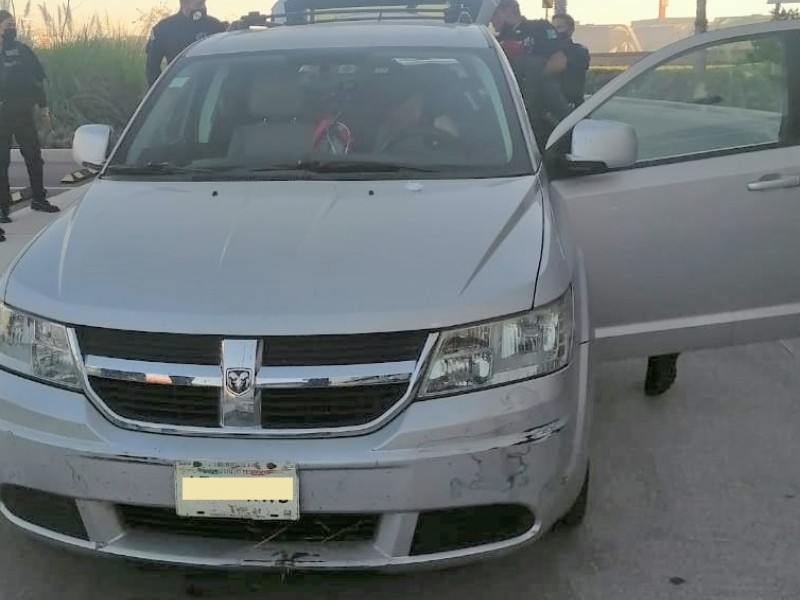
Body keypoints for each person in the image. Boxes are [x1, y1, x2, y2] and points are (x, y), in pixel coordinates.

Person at [0, 10, 60, 230]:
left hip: (23, 112)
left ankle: (39, 199)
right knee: (1, 161)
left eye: (13, 25)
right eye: (7, 25)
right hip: (2, 114)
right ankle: (3, 208)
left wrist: (43, 106)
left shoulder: (23, 51)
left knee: (34, 156)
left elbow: (37, 78)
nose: (12, 29)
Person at [491, 0, 570, 151]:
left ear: (506, 11)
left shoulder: (539, 28)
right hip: (512, 111)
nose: (492, 21)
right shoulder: (497, 41)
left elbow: (559, 62)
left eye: (495, 15)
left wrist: (532, 77)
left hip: (542, 110)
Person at [146, 0, 226, 87]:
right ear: (184, 4)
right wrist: (161, 90)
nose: (203, 8)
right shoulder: (164, 28)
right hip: (179, 88)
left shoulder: (215, 26)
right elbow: (152, 66)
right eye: (198, 5)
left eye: (203, 3)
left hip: (210, 86)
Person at [551, 13, 590, 110]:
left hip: (572, 108)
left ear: (571, 30)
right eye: (553, 28)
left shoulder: (579, 51)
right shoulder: (547, 51)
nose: (555, 31)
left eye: (559, 27)